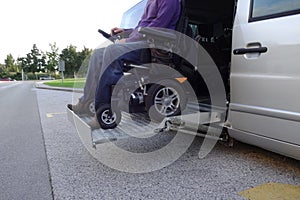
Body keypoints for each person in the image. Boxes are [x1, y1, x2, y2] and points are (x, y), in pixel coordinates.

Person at [68, 0, 181, 119]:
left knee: (113, 51)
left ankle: (104, 108)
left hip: (154, 45)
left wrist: (128, 40)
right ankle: (86, 102)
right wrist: (126, 32)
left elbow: (158, 27)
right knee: (98, 53)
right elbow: (143, 27)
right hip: (143, 41)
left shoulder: (170, 1)